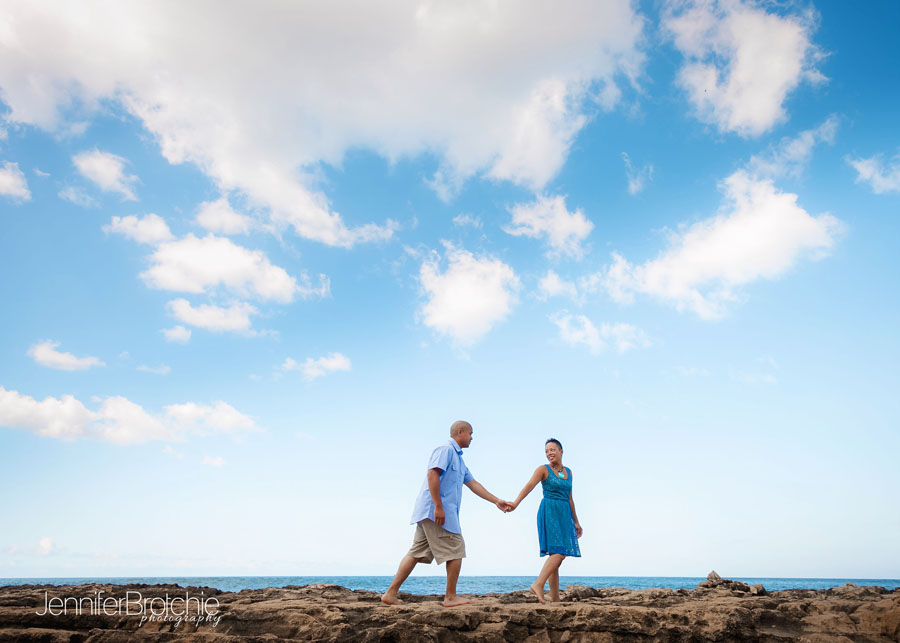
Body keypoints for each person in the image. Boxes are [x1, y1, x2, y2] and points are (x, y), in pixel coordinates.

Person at [381, 420, 512, 607]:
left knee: (416, 552)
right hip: (436, 511)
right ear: (460, 432)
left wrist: (496, 501)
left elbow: (473, 484)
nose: (472, 438)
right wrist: (438, 506)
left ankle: (390, 593)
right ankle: (450, 597)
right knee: (456, 549)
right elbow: (432, 475)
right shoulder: (445, 450)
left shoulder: (459, 459)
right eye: (470, 433)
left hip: (433, 511)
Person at [510, 438, 582, 603]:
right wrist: (515, 503)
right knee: (559, 553)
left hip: (564, 513)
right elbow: (529, 486)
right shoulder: (543, 469)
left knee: (555, 555)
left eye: (552, 450)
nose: (549, 453)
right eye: (547, 451)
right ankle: (538, 584)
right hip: (549, 510)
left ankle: (555, 599)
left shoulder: (569, 472)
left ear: (561, 451)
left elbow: (570, 498)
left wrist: (576, 522)